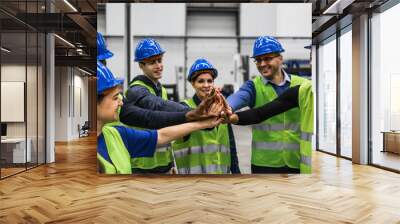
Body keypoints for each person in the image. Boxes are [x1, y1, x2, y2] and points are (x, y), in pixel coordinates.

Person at [96, 61, 223, 174]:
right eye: (115, 98)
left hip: (163, 166)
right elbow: (153, 113)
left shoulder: (117, 134)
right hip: (143, 167)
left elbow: (162, 135)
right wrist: (193, 114)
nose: (121, 102)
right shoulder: (137, 90)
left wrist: (203, 123)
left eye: (159, 60)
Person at [227, 36, 313, 174]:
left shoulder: (302, 86)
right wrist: (227, 107)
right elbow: (239, 97)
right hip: (265, 162)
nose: (262, 64)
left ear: (280, 58)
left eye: (267, 58)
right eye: (258, 60)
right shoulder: (253, 86)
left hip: (297, 160)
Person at [171, 58, 240, 174]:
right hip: (193, 182)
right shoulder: (184, 109)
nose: (206, 85)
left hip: (221, 180)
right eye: (201, 81)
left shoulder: (221, 109)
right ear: (193, 83)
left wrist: (236, 172)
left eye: (209, 81)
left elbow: (231, 145)